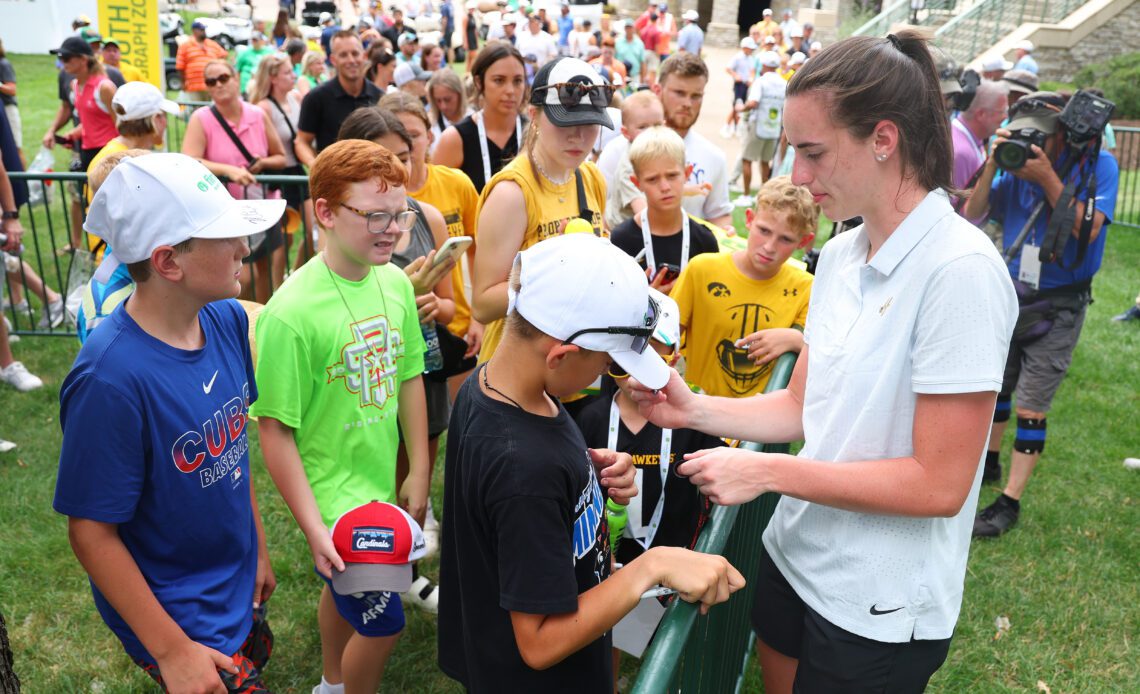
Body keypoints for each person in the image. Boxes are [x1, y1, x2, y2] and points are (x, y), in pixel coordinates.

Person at [630, 32, 1020, 692]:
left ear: (883, 140)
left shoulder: (961, 273)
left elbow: (940, 484)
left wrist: (767, 470)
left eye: (812, 152)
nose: (799, 178)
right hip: (794, 552)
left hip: (876, 604)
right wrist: (692, 406)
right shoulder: (839, 254)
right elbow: (804, 405)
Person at [438, 232, 745, 692]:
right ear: (561, 354)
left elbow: (505, 506)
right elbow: (539, 644)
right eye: (608, 363)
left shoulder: (497, 388)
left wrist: (582, 474)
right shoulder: (524, 468)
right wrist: (651, 566)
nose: (607, 374)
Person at [54, 153, 282, 693]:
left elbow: (232, 450)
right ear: (169, 262)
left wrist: (258, 548)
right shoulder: (109, 380)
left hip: (232, 581)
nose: (244, 250)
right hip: (175, 610)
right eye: (225, 237)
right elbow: (91, 532)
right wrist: (172, 650)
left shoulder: (223, 319)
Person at [253, 139, 430, 693]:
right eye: (374, 215)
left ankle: (330, 683)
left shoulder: (396, 283)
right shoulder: (291, 313)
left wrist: (420, 466)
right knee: (384, 627)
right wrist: (313, 527)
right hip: (331, 501)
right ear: (325, 213)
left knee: (343, 595)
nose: (393, 229)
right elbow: (275, 430)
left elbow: (408, 377)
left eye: (400, 214)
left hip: (379, 486)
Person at [964, 91, 1119, 537]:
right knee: (999, 389)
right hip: (1012, 296)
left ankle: (1008, 502)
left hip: (1061, 301)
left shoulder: (1098, 167)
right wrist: (995, 162)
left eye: (1040, 137)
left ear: (1062, 138)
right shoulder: (1012, 168)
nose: (1032, 144)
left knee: (1032, 404)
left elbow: (1086, 231)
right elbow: (973, 213)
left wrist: (1048, 177)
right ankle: (989, 464)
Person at [336, 106, 457, 608]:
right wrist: (395, 299)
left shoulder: (426, 218)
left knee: (413, 470)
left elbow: (453, 307)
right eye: (384, 159)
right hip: (366, 376)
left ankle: (400, 563)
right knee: (370, 475)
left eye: (404, 157)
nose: (396, 170)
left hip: (422, 366)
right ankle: (364, 570)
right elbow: (335, 312)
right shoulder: (347, 229)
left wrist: (434, 304)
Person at [470, 57, 611, 370]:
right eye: (566, 123)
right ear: (533, 115)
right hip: (516, 375)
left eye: (590, 124)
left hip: (574, 371)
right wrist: (550, 269)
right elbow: (482, 305)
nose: (579, 137)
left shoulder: (590, 177)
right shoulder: (512, 193)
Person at [670, 176, 813, 397]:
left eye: (785, 239)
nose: (769, 246)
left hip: (758, 425)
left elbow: (827, 358)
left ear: (803, 242)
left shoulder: (807, 288)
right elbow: (663, 340)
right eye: (764, 230)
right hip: (698, 413)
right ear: (749, 219)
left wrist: (795, 339)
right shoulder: (702, 269)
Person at [380, 92, 483, 373]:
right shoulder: (377, 202)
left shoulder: (456, 183)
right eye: (396, 136)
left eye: (412, 134)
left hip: (455, 326)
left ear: (429, 135)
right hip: (391, 335)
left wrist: (478, 318)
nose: (407, 145)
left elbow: (479, 249)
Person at [182, 60, 288, 303]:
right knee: (243, 279)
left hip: (263, 208)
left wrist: (263, 163)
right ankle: (241, 327)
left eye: (223, 78)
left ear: (236, 78)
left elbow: (280, 157)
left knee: (270, 275)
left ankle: (262, 327)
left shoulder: (258, 114)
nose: (218, 85)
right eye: (211, 81)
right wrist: (228, 170)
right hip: (226, 215)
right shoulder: (202, 118)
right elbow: (189, 160)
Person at [610, 126, 720, 296]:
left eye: (672, 176)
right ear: (637, 183)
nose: (665, 187)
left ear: (687, 173)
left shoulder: (705, 241)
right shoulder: (620, 240)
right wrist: (646, 300)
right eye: (652, 179)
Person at [251, 53, 316, 271]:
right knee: (283, 240)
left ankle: (299, 276)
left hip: (298, 171)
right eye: (288, 72)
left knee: (313, 231)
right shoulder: (263, 108)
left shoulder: (296, 97)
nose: (294, 75)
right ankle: (277, 287)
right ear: (273, 78)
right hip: (277, 177)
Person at [434, 42, 527, 193]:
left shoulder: (536, 134)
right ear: (479, 82)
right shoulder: (455, 139)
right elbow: (439, 202)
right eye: (499, 80)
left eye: (517, 81)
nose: (510, 90)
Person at [654, 53, 733, 229]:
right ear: (658, 91)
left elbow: (718, 215)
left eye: (696, 96)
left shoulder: (714, 157)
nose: (687, 103)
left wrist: (725, 231)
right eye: (679, 93)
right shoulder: (623, 148)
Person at [297, 30, 381, 165]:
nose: (351, 60)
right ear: (333, 60)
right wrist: (316, 168)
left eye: (355, 53)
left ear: (364, 56)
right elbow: (302, 141)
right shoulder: (316, 98)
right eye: (343, 55)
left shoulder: (380, 97)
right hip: (333, 181)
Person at [600, 90, 665, 230]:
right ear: (626, 133)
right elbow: (643, 214)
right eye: (643, 127)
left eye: (657, 125)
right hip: (620, 233)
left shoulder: (657, 154)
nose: (651, 132)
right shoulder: (629, 168)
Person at [951, 80, 1008, 225]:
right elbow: (963, 215)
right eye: (1002, 111)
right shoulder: (961, 152)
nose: (1006, 117)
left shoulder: (967, 137)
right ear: (981, 114)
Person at [738, 51, 786, 201]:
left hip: (758, 126)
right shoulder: (783, 83)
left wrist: (741, 108)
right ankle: (764, 195)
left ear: (764, 65)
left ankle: (746, 195)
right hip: (773, 128)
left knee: (747, 159)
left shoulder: (761, 81)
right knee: (765, 162)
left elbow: (753, 102)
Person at [175, 20, 228, 101]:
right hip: (193, 85)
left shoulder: (212, 44)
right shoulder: (185, 46)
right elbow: (180, 66)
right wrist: (183, 82)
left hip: (212, 85)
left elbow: (223, 56)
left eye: (204, 29)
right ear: (194, 31)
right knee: (196, 109)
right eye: (201, 30)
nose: (203, 32)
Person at [426, 68, 472, 152]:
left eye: (448, 99)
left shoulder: (474, 118)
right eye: (438, 100)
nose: (443, 106)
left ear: (459, 94)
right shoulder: (430, 124)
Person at [722, 37, 756, 139]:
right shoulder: (737, 57)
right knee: (736, 106)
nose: (751, 50)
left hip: (746, 85)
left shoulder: (751, 58)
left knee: (740, 107)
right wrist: (736, 75)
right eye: (750, 48)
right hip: (739, 85)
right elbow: (728, 68)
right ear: (745, 48)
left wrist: (751, 79)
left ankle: (735, 128)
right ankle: (727, 126)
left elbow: (752, 71)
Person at [0, 38, 20, 159]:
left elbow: (12, 90)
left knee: (15, 147)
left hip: (8, 109)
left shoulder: (4, 64)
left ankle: (22, 178)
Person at [615, 20, 646, 88]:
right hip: (620, 76)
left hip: (634, 76)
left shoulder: (639, 43)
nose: (628, 30)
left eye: (630, 28)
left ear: (634, 29)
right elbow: (614, 59)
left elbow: (642, 62)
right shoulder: (618, 42)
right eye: (627, 28)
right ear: (624, 29)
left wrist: (642, 80)